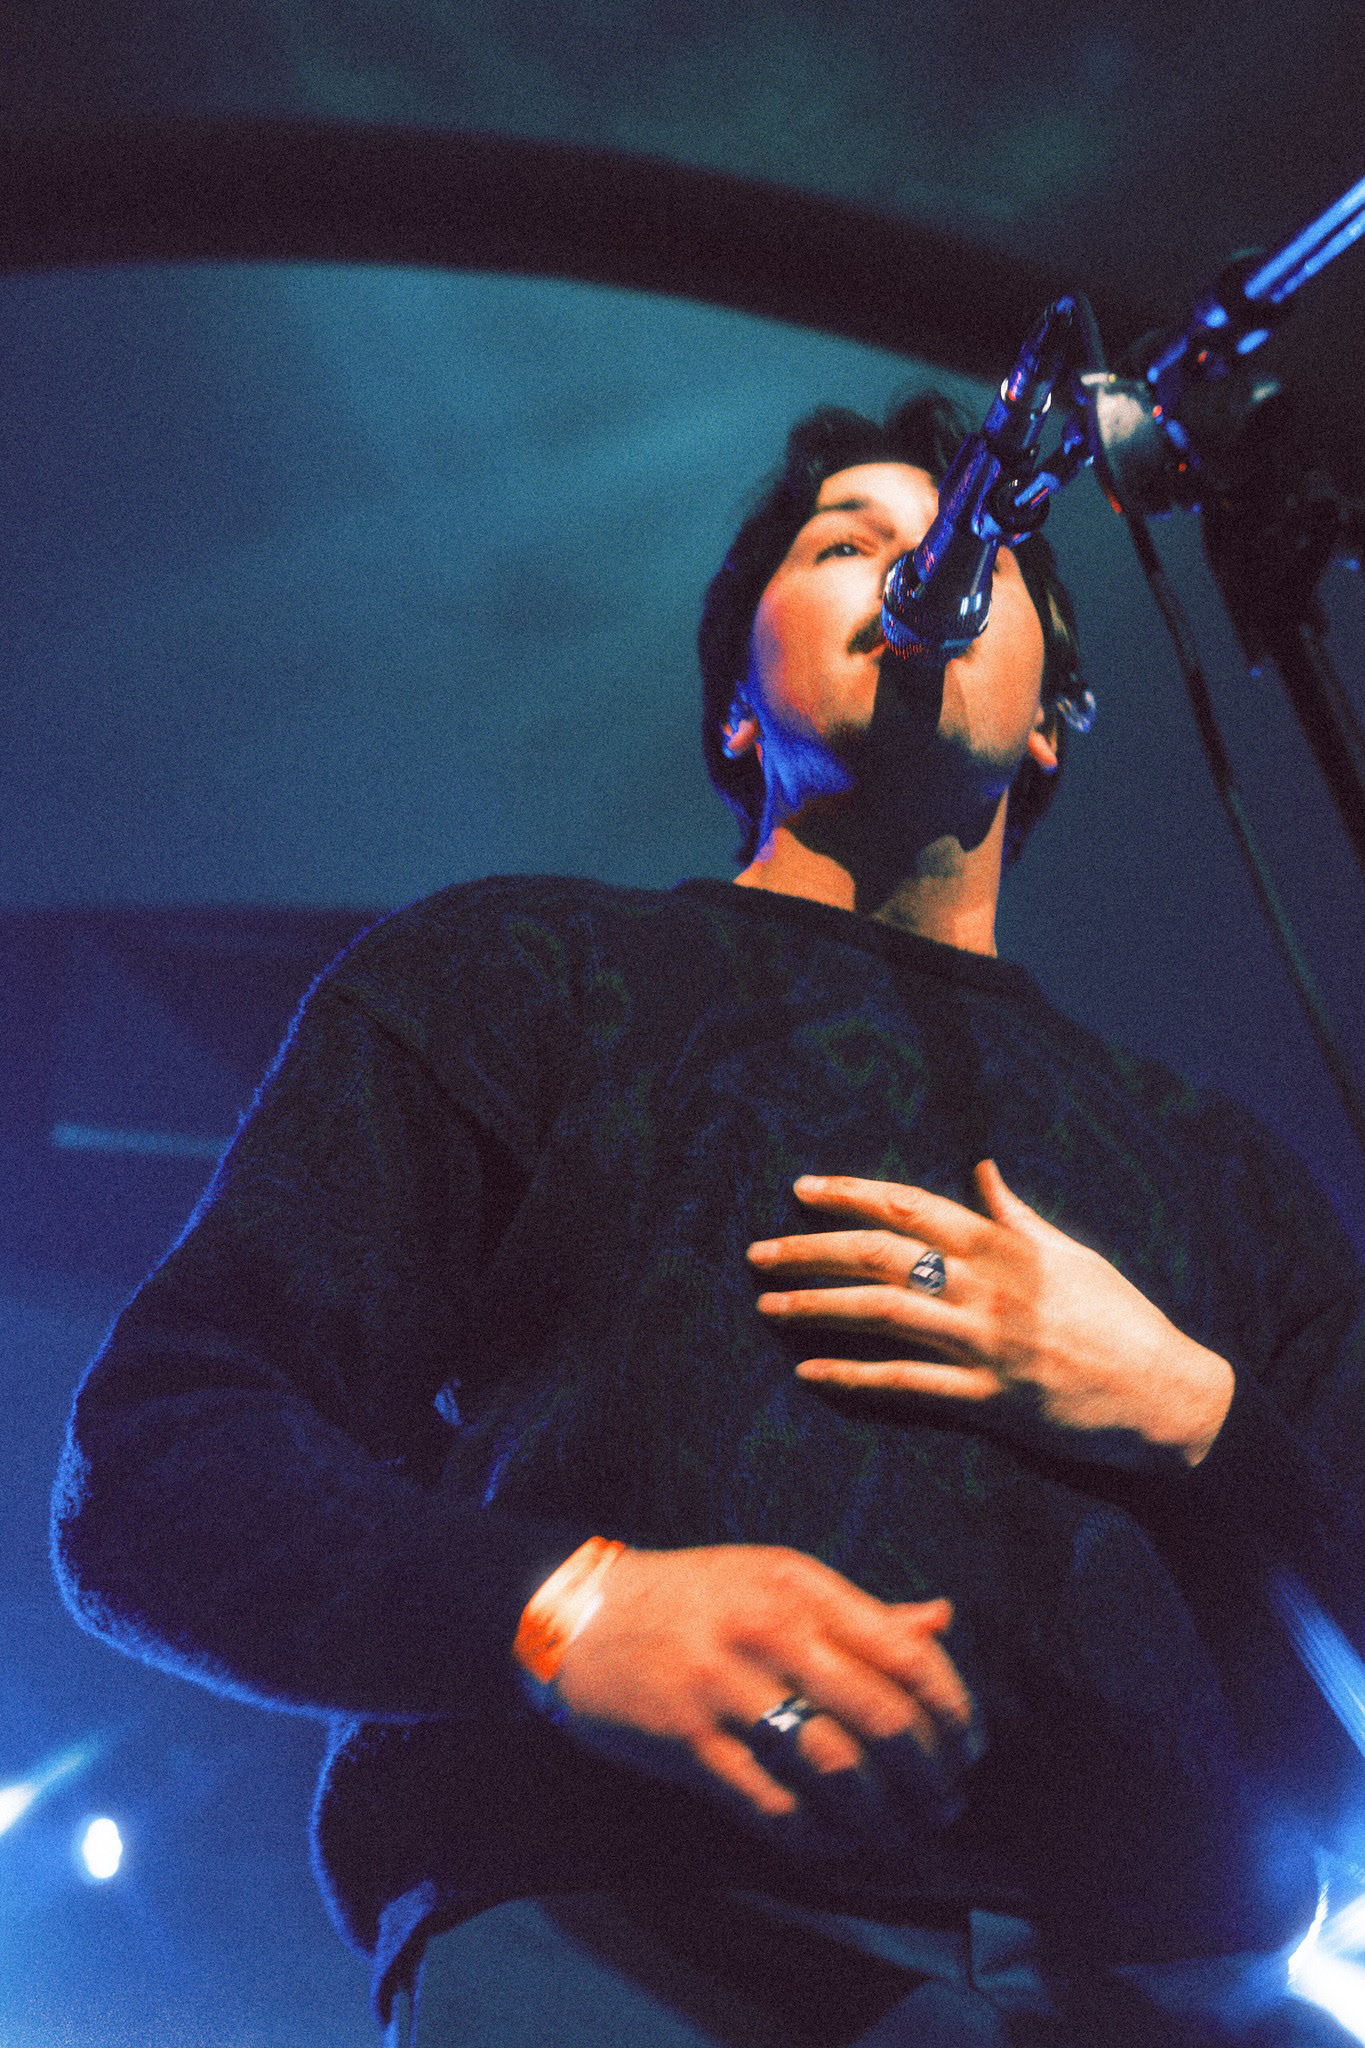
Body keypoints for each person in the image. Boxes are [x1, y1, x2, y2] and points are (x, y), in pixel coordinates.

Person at [51, 392, 1365, 2046]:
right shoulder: (520, 972)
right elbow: (160, 1462)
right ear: (737, 713)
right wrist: (564, 1605)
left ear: (1050, 721)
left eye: (976, 552)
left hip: (1179, 1999)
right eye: (844, 545)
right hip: (632, 1952)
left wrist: (1196, 1411)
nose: (924, 565)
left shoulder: (1221, 1170)